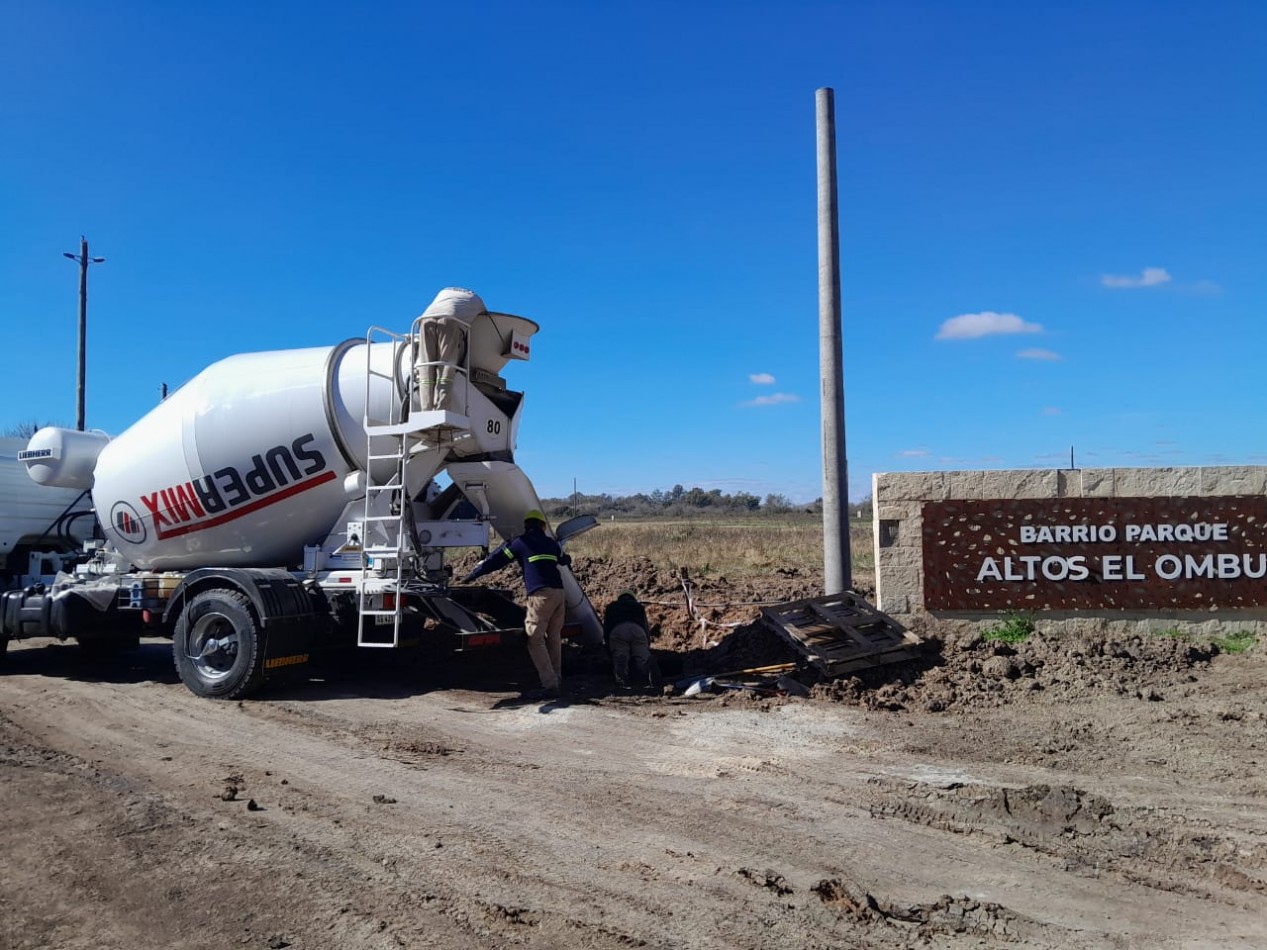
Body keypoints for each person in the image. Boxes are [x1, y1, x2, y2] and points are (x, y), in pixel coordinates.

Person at [462, 510, 571, 699]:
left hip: (540, 596)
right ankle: (556, 679)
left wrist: (473, 574)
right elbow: (565, 560)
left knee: (535, 640)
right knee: (553, 637)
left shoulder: (521, 542)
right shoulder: (551, 544)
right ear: (543, 526)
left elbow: (496, 561)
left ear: (526, 525)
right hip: (559, 594)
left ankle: (550, 685)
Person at [416, 287, 485, 411]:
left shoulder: (444, 291)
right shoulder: (477, 301)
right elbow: (487, 322)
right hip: (450, 320)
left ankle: (425, 408)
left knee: (426, 366)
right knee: (446, 367)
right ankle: (441, 407)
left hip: (424, 320)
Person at [603, 589, 653, 691]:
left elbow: (606, 627)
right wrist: (647, 643)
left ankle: (622, 679)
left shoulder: (611, 607)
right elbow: (645, 626)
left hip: (617, 630)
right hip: (637, 629)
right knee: (641, 656)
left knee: (620, 655)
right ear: (633, 598)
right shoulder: (638, 607)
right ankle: (642, 677)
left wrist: (608, 645)